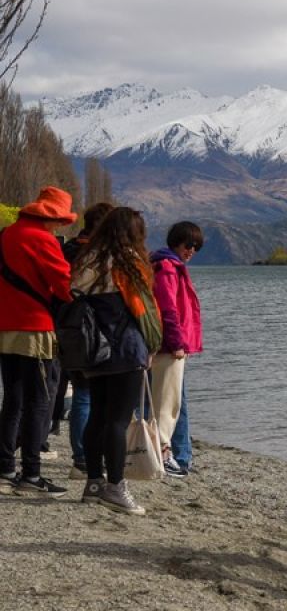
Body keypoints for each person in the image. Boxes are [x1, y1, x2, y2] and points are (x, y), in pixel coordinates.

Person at [72, 206, 163, 515]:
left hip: (93, 349)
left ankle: (94, 482)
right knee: (118, 420)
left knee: (97, 415)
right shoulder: (129, 263)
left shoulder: (88, 259)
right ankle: (117, 486)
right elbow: (144, 312)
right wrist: (153, 345)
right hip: (125, 348)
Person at [0, 186, 75, 498]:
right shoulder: (43, 239)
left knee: (12, 400)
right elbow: (64, 286)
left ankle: (4, 469)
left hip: (5, 326)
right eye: (60, 221)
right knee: (40, 401)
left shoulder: (7, 234)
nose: (60, 226)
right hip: (36, 327)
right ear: (53, 216)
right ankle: (31, 474)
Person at [60, 201, 114, 477]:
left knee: (79, 391)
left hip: (66, 326)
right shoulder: (99, 254)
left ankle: (80, 457)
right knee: (88, 395)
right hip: (94, 329)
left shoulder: (67, 248)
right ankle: (83, 458)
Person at [150, 220, 204, 478]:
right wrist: (177, 343)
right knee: (167, 403)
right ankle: (164, 455)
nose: (192, 250)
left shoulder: (169, 265)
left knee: (175, 402)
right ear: (176, 242)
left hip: (170, 345)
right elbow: (168, 310)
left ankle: (180, 456)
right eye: (188, 244)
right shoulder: (167, 269)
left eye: (196, 246)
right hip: (170, 347)